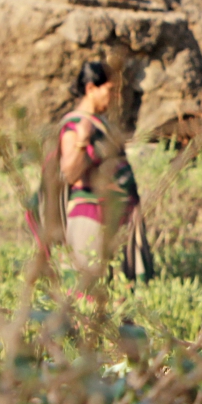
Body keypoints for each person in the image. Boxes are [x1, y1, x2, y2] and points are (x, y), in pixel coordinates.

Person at [45, 61, 154, 283]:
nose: (114, 97)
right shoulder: (75, 125)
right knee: (87, 290)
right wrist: (82, 141)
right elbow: (69, 174)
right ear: (91, 89)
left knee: (118, 292)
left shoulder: (102, 123)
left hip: (116, 218)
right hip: (92, 217)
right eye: (110, 90)